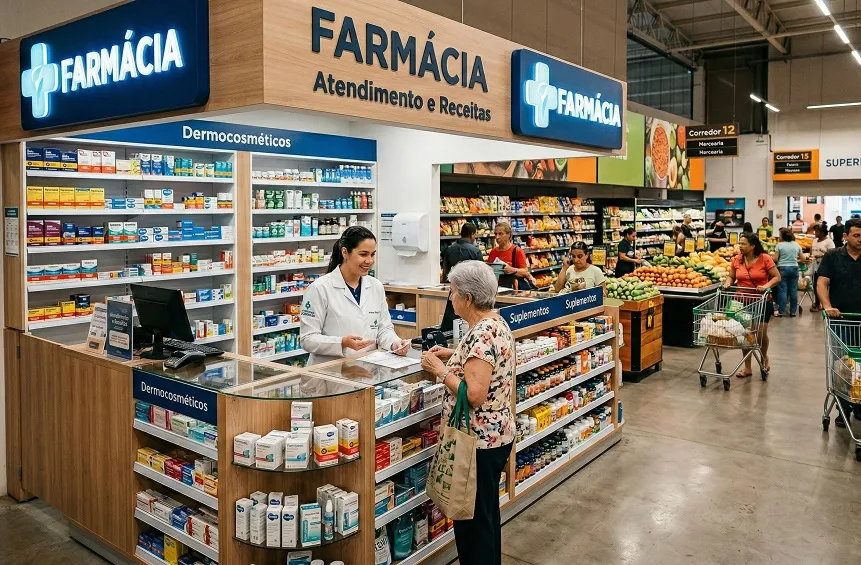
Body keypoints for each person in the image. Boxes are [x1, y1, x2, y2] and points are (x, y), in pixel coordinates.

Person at [420, 261, 515, 565]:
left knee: (472, 524)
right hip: (496, 436)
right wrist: (455, 355)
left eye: (453, 291)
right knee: (485, 515)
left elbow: (474, 395)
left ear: (468, 298)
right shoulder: (494, 322)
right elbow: (480, 361)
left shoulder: (482, 333)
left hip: (479, 442)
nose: (450, 297)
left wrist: (440, 370)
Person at [300, 226, 410, 365]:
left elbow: (384, 329)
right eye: (363, 254)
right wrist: (341, 343)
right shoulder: (320, 288)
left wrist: (395, 343)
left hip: (367, 369)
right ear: (345, 252)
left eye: (372, 254)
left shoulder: (376, 286)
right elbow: (307, 339)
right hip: (331, 372)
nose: (369, 260)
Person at [817, 218, 861, 427]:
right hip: (840, 320)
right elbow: (822, 283)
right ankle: (843, 407)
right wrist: (827, 306)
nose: (860, 239)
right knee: (841, 365)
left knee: (860, 366)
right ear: (845, 236)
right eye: (856, 235)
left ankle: (859, 404)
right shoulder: (833, 256)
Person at [725, 233, 780, 377]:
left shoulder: (765, 258)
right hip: (742, 301)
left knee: (761, 333)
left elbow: (777, 277)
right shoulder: (737, 259)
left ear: (752, 246)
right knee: (746, 334)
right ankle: (747, 367)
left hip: (762, 301)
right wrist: (728, 282)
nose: (740, 246)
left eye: (743, 244)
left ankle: (764, 357)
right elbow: (731, 276)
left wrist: (766, 285)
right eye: (739, 244)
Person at [487, 221, 534, 290]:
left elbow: (525, 272)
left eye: (500, 234)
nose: (497, 237)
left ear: (508, 234)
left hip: (513, 290)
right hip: (495, 289)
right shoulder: (493, 252)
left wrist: (512, 270)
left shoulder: (517, 251)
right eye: (495, 234)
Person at [773, 228, 805, 317]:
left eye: (780, 235)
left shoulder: (779, 245)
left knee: (783, 290)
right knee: (793, 290)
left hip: (782, 268)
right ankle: (793, 312)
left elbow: (775, 259)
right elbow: (803, 258)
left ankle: (782, 312)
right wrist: (794, 261)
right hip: (794, 268)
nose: (779, 236)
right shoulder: (796, 245)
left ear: (783, 236)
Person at [808, 223, 835, 313]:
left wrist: (822, 255)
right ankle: (817, 303)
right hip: (815, 265)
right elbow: (811, 250)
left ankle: (826, 304)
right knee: (816, 284)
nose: (815, 233)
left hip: (826, 266)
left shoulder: (829, 242)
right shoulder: (815, 240)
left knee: (824, 285)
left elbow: (832, 254)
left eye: (817, 231)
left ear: (823, 233)